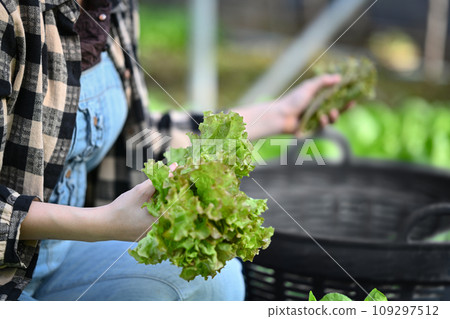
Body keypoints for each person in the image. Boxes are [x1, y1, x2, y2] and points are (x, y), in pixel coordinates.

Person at [0, 0, 343, 301]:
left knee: (217, 283)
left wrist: (274, 116)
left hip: (58, 259)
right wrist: (104, 223)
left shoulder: (110, 7)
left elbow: (136, 139)